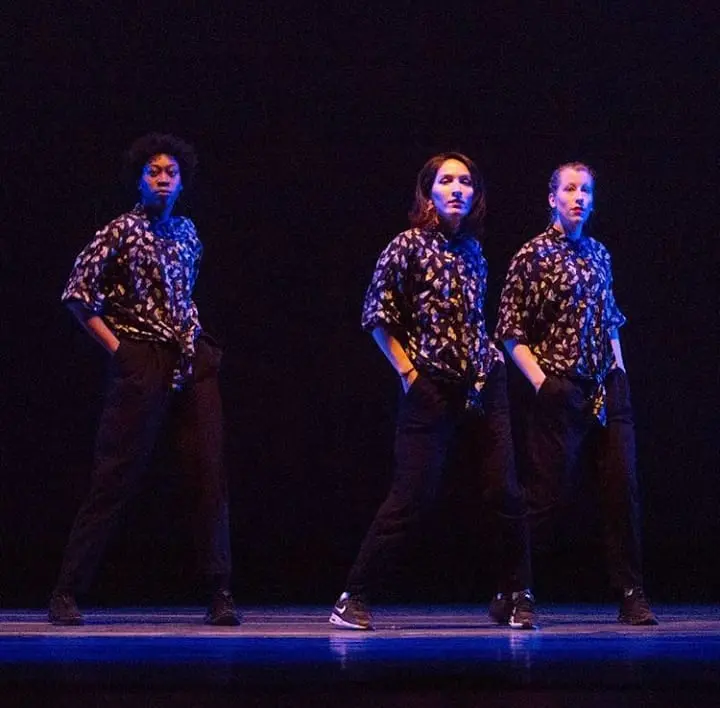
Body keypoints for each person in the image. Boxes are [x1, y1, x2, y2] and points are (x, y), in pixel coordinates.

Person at [329, 152, 534, 631]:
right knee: (413, 494)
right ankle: (353, 597)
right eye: (446, 181)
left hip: (484, 381)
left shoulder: (474, 251)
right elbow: (375, 315)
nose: (458, 189)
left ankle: (517, 594)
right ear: (429, 192)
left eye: (466, 182)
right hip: (430, 384)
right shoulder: (407, 246)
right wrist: (408, 374)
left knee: (504, 490)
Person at [48, 133, 239, 626]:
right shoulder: (119, 231)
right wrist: (121, 351)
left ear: (182, 182)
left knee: (208, 472)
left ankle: (220, 591)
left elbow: (183, 293)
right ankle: (67, 590)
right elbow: (77, 295)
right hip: (141, 356)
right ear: (139, 179)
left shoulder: (188, 232)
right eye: (153, 172)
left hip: (190, 357)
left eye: (170, 173)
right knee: (115, 475)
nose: (162, 180)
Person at [494, 161, 657, 625]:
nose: (578, 198)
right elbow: (510, 332)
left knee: (622, 490)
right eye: (569, 189)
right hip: (558, 389)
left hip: (606, 387)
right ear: (552, 198)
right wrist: (544, 384)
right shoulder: (532, 255)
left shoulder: (599, 253)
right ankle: (516, 590)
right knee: (546, 498)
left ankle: (631, 593)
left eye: (585, 190)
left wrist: (620, 371)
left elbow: (610, 320)